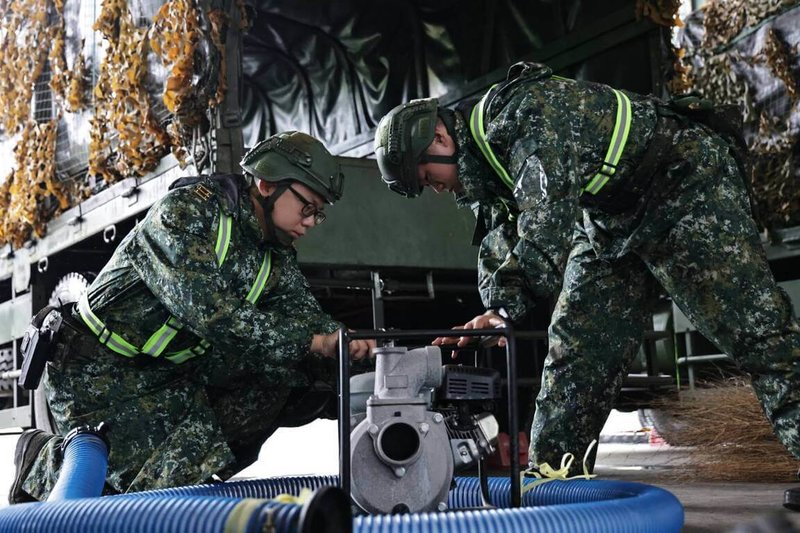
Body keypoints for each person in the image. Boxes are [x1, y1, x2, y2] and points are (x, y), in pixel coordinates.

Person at [373, 61, 800, 478]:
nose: (438, 189)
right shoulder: (485, 168)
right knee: (577, 352)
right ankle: (552, 491)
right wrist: (494, 311)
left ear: (442, 137)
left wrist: (505, 308)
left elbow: (547, 220)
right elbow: (500, 237)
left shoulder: (524, 116)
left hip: (681, 182)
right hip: (610, 218)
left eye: (429, 177)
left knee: (758, 333)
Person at [10, 131, 375, 503]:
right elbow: (211, 313)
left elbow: (307, 318)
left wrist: (353, 346)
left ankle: (171, 489)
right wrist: (312, 342)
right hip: (98, 370)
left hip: (167, 373)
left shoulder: (273, 255)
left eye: (319, 212)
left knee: (285, 377)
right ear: (267, 185)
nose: (312, 221)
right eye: (308, 207)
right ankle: (42, 461)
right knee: (115, 493)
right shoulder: (186, 213)